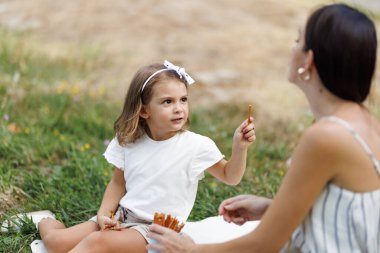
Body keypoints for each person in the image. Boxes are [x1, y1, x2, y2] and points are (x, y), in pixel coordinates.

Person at [148, 3, 380, 253]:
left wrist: (190, 251)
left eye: (297, 40)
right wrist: (272, 208)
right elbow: (346, 216)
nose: (292, 47)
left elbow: (264, 244)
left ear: (309, 61)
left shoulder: (326, 137)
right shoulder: (365, 123)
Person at [37, 60, 256, 253]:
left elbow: (231, 176)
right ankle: (45, 221)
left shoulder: (196, 146)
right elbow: (117, 183)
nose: (179, 108)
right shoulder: (130, 140)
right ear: (144, 111)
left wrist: (240, 148)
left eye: (183, 99)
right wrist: (104, 215)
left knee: (97, 243)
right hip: (121, 218)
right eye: (167, 102)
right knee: (56, 243)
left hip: (155, 232)